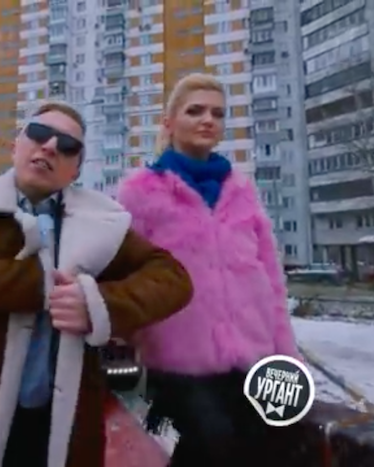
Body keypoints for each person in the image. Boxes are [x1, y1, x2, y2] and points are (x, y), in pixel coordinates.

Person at [0, 101, 193, 467]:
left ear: (75, 170)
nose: (50, 147)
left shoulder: (101, 224)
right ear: (17, 145)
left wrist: (98, 304)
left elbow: (172, 278)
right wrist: (36, 282)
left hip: (62, 425)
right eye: (39, 133)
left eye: (68, 145)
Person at [117, 73, 300, 467]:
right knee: (210, 450)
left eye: (217, 113)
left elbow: (271, 281)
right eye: (195, 111)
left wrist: (286, 358)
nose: (208, 120)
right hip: (177, 369)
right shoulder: (140, 192)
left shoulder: (242, 192)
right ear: (168, 122)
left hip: (254, 362)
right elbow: (124, 277)